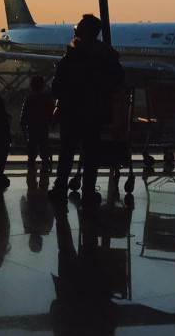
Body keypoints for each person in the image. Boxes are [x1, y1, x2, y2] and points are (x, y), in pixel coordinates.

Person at [48, 14, 123, 204]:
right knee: (91, 154)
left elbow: (57, 87)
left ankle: (60, 188)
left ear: (84, 31)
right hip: (94, 112)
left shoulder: (72, 57)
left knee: (67, 152)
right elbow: (116, 80)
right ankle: (88, 191)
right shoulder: (107, 57)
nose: (75, 30)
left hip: (72, 112)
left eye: (79, 27)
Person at [20, 75, 55, 174]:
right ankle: (45, 165)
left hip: (32, 127)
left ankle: (31, 165)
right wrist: (52, 123)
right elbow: (51, 112)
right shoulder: (47, 98)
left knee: (32, 146)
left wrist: (23, 127)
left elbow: (24, 114)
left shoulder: (29, 99)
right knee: (44, 145)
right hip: (44, 126)